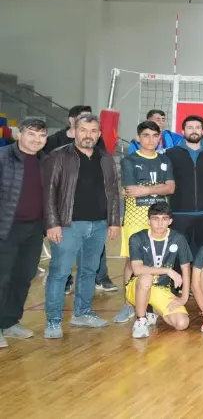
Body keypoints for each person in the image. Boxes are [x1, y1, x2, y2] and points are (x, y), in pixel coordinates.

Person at [42, 113, 121, 339]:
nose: (88, 135)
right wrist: (52, 223)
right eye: (84, 130)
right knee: (60, 273)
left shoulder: (105, 158)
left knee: (89, 271)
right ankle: (53, 321)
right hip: (68, 225)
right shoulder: (58, 156)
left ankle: (82, 313)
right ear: (75, 131)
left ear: (99, 133)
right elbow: (48, 192)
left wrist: (114, 221)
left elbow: (113, 192)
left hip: (99, 225)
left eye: (93, 131)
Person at [113, 121, 176, 324]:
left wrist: (146, 189)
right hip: (135, 218)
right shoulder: (129, 160)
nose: (150, 139)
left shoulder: (165, 159)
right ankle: (127, 304)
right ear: (138, 138)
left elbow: (170, 188)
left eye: (154, 136)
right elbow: (131, 190)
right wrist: (157, 188)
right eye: (146, 135)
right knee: (132, 261)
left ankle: (151, 302)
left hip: (159, 218)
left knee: (158, 259)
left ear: (159, 138)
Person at [0, 117, 47, 347]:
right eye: (31, 134)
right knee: (2, 277)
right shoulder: (3, 157)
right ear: (19, 134)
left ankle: (9, 321)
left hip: (34, 229)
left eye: (41, 135)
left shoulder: (44, 161)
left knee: (23, 276)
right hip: (6, 228)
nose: (37, 139)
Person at [125, 202, 192, 339]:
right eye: (155, 219)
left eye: (164, 219)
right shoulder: (137, 238)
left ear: (170, 221)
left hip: (162, 288)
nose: (160, 223)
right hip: (137, 286)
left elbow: (186, 268)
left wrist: (184, 298)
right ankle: (140, 320)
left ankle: (152, 309)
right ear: (148, 220)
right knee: (146, 278)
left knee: (182, 323)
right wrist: (167, 271)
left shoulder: (178, 238)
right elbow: (137, 269)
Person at [165, 115, 203, 255]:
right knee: (178, 255)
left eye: (198, 127)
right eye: (190, 127)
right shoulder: (171, 154)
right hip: (179, 212)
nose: (194, 130)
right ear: (183, 131)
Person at [42, 105, 107, 154]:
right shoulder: (54, 140)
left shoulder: (96, 140)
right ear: (71, 120)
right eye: (83, 118)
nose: (88, 122)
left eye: (90, 118)